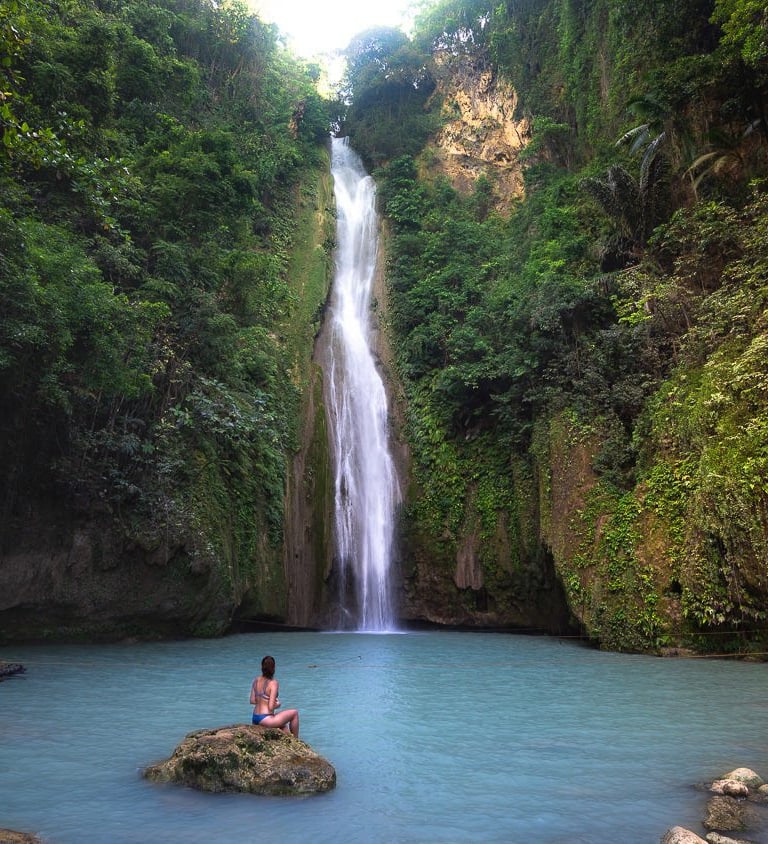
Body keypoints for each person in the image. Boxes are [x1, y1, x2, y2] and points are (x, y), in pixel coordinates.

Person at [250, 655, 300, 738]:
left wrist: (263, 700)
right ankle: (297, 741)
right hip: (266, 719)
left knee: (284, 728)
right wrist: (278, 704)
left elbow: (252, 700)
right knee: (294, 713)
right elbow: (271, 707)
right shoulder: (273, 683)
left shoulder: (256, 680)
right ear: (273, 668)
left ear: (262, 667)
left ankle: (290, 742)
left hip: (255, 718)